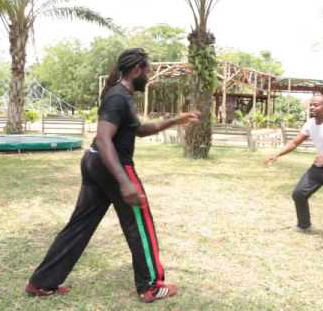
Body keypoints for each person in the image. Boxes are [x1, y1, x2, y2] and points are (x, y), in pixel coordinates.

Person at [25, 48, 200, 302]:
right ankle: (151, 285)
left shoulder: (121, 95)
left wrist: (174, 120)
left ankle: (41, 282)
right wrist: (124, 182)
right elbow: (105, 139)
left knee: (80, 224)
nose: (149, 76)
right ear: (137, 69)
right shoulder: (118, 97)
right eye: (147, 70)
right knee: (140, 223)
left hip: (95, 163)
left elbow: (138, 129)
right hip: (112, 165)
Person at [265, 94, 323, 259]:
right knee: (299, 194)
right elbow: (294, 142)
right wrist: (277, 154)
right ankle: (304, 224)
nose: (312, 107)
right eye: (311, 105)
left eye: (316, 105)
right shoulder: (310, 124)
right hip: (319, 167)